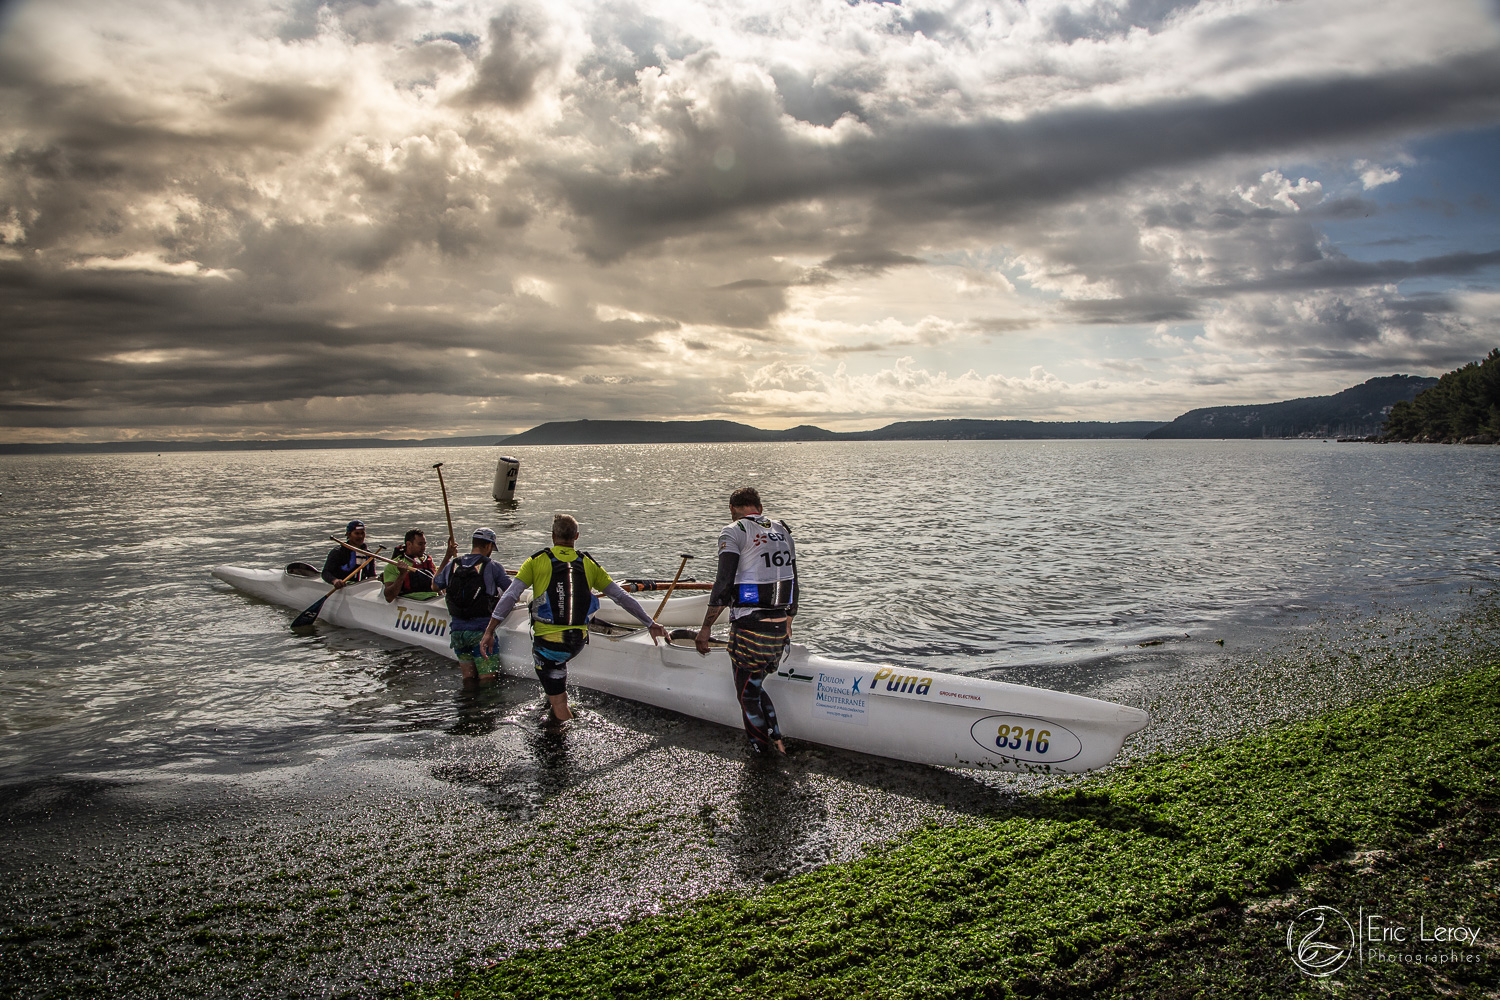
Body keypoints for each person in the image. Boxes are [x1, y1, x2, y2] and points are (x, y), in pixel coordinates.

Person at [480, 514, 666, 722]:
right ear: (576, 536)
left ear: (553, 536)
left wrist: (489, 631)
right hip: (576, 643)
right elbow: (620, 597)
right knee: (556, 684)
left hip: (549, 646)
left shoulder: (536, 561)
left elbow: (510, 596)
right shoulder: (588, 563)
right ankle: (555, 695)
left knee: (560, 704)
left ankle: (565, 736)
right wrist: (650, 623)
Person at [694, 487, 797, 755]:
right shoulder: (782, 529)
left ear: (732, 509)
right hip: (777, 626)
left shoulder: (733, 530)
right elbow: (794, 581)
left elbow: (724, 583)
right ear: (759, 508)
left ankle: (761, 753)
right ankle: (778, 741)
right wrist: (789, 622)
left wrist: (705, 629)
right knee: (754, 686)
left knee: (746, 694)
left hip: (750, 627)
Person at [432, 528, 511, 685]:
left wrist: (447, 556)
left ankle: (466, 706)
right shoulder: (493, 566)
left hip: (457, 633)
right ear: (488, 546)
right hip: (481, 633)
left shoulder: (453, 564)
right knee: (487, 681)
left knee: (468, 679)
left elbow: (435, 586)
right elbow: (512, 591)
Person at [382, 528, 458, 603]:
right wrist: (402, 574)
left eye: (424, 544)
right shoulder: (393, 565)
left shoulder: (427, 561)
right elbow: (389, 597)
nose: (423, 548)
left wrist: (448, 556)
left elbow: (438, 581)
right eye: (420, 544)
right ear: (409, 544)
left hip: (434, 601)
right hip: (413, 604)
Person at [322, 519, 379, 587]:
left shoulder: (369, 555)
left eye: (362, 533)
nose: (360, 536)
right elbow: (325, 573)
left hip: (359, 589)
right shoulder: (338, 552)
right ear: (348, 534)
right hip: (342, 587)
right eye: (357, 533)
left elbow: (371, 575)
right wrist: (335, 581)